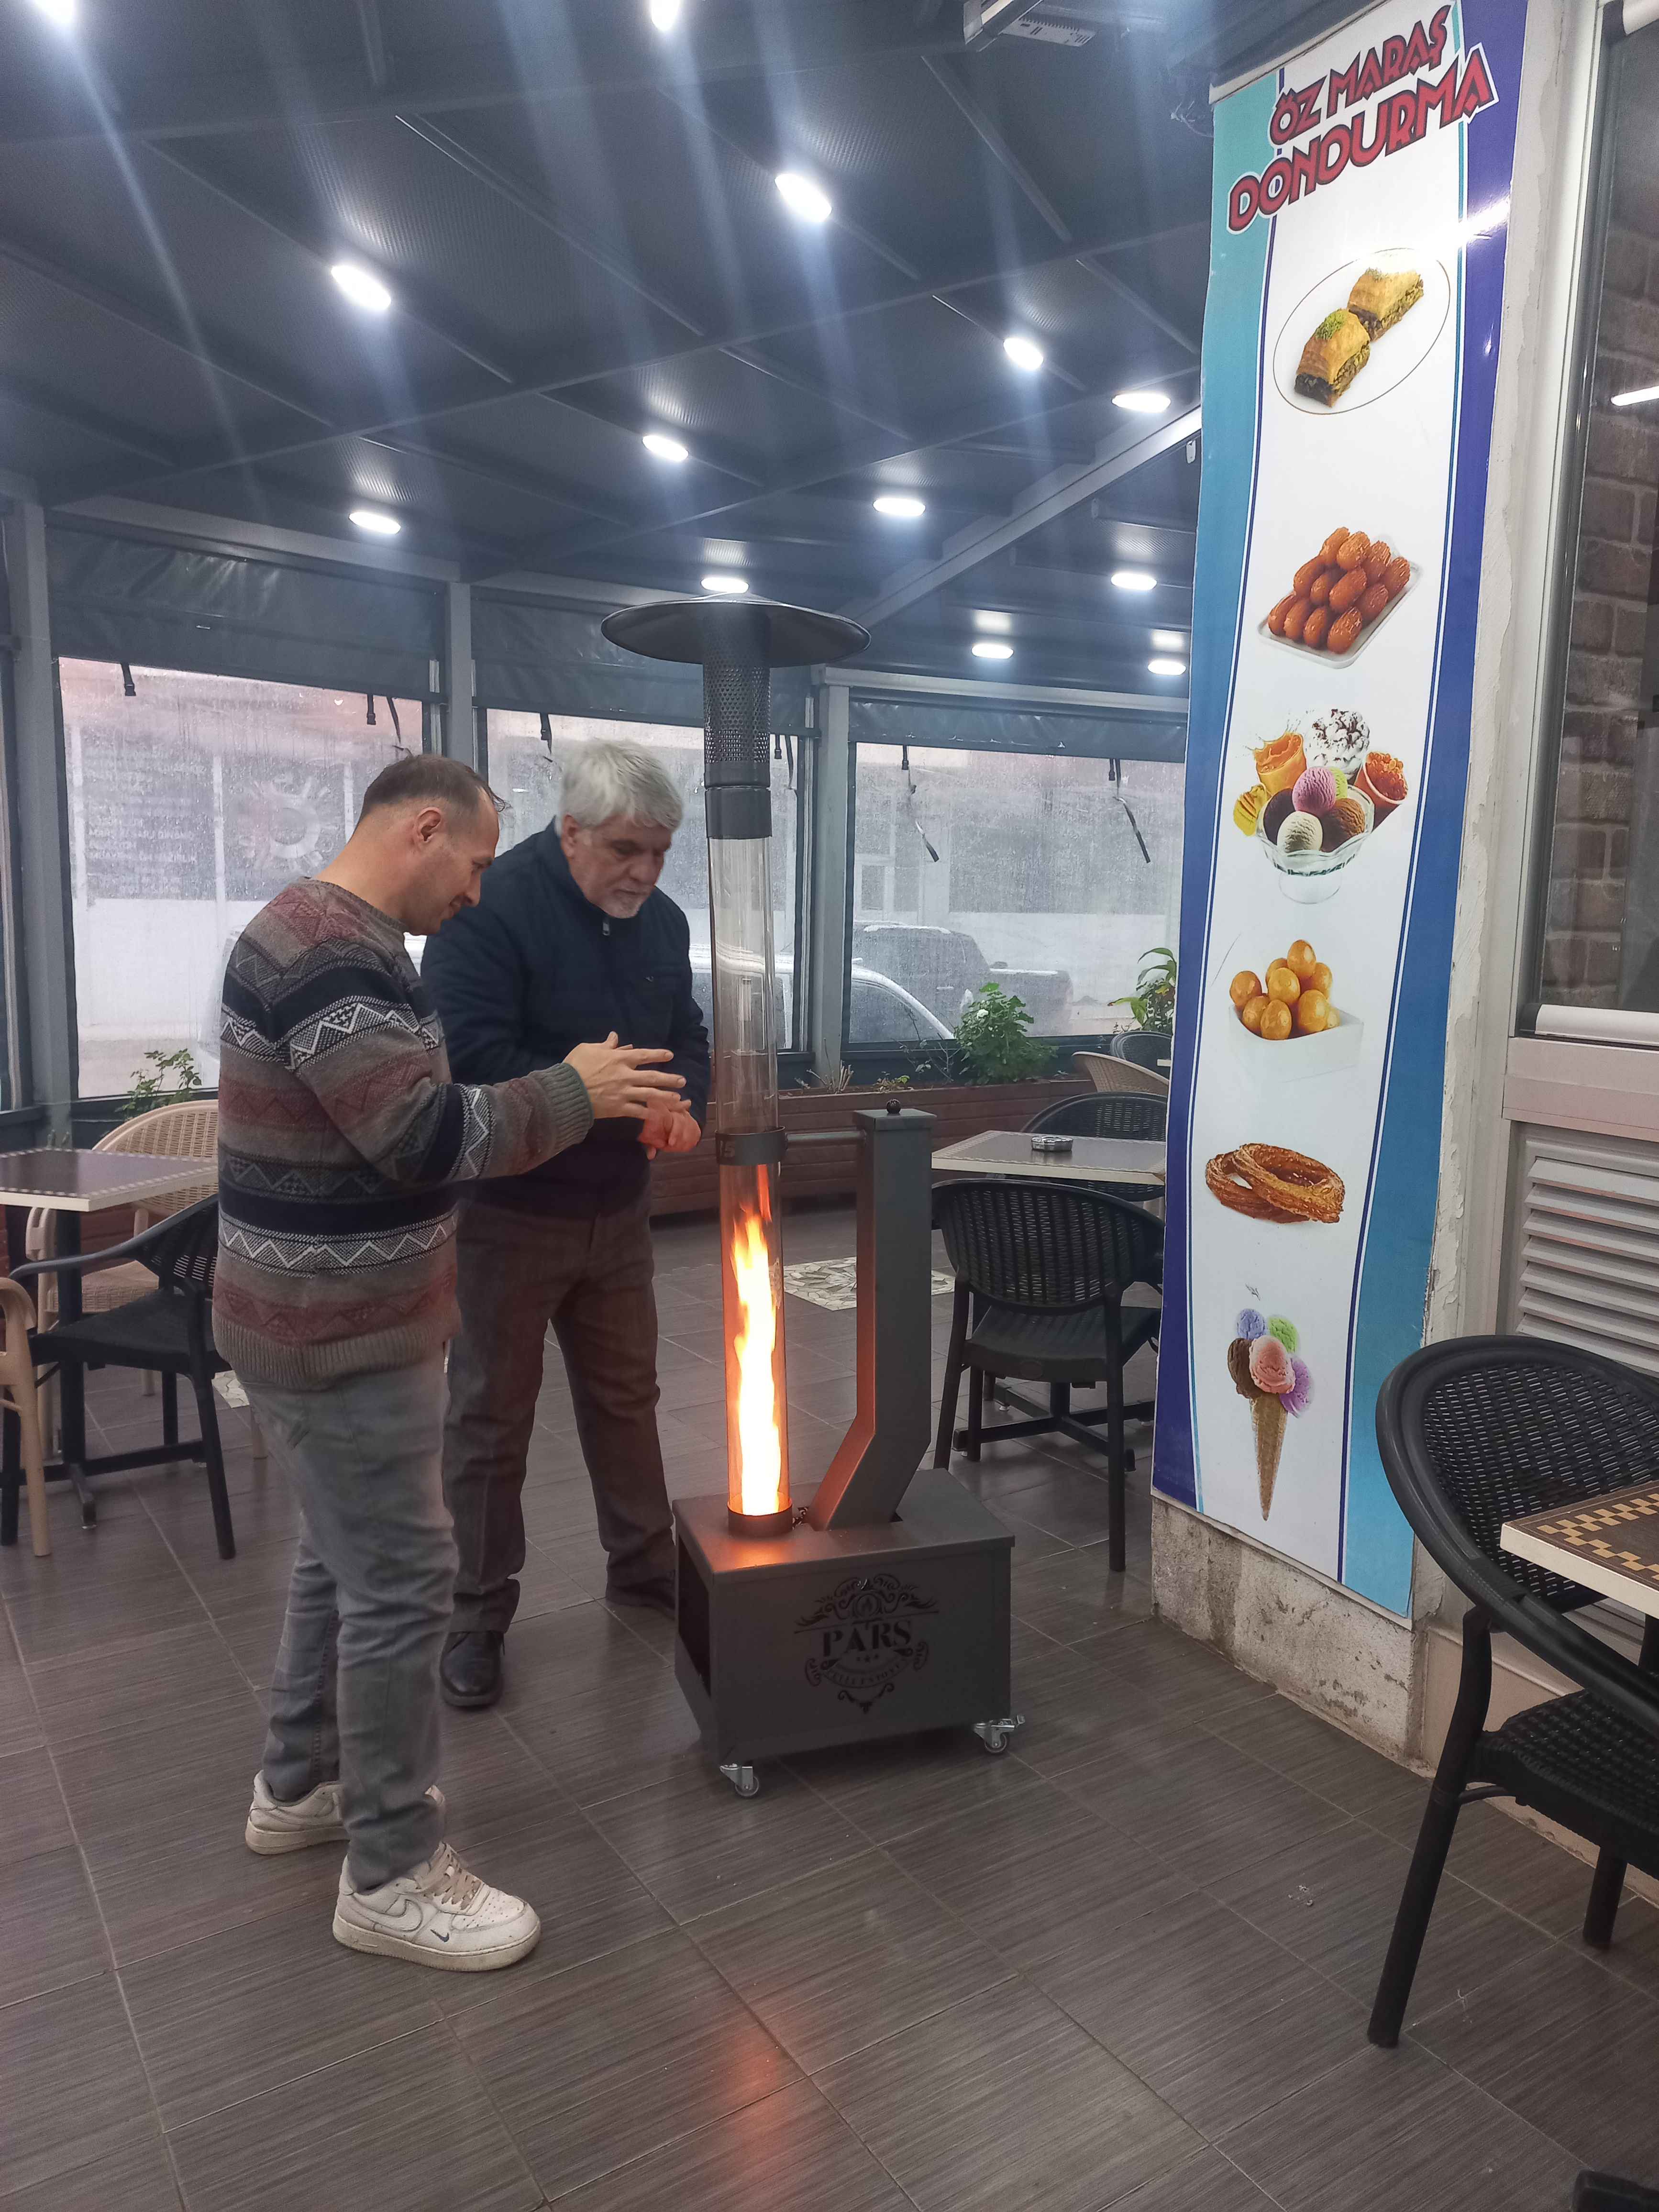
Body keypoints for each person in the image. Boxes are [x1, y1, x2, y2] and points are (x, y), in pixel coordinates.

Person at [217, 753, 685, 1970]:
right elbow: (422, 1133)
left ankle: (298, 1781)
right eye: (472, 864)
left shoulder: (341, 938)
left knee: (337, 1556)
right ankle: (390, 1869)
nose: (474, 892)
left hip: (334, 1310)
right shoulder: (332, 955)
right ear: (425, 829)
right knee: (400, 1582)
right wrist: (577, 1089)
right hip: (337, 1323)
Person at [423, 739, 709, 1712]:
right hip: (508, 1211)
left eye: (661, 852)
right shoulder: (489, 908)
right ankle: (475, 1613)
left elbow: (687, 1039)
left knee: (627, 1397)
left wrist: (680, 1104)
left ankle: (643, 1563)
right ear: (572, 829)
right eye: (627, 849)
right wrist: (605, 1095)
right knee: (490, 1416)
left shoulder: (662, 923)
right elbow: (470, 1060)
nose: (646, 872)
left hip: (618, 1208)